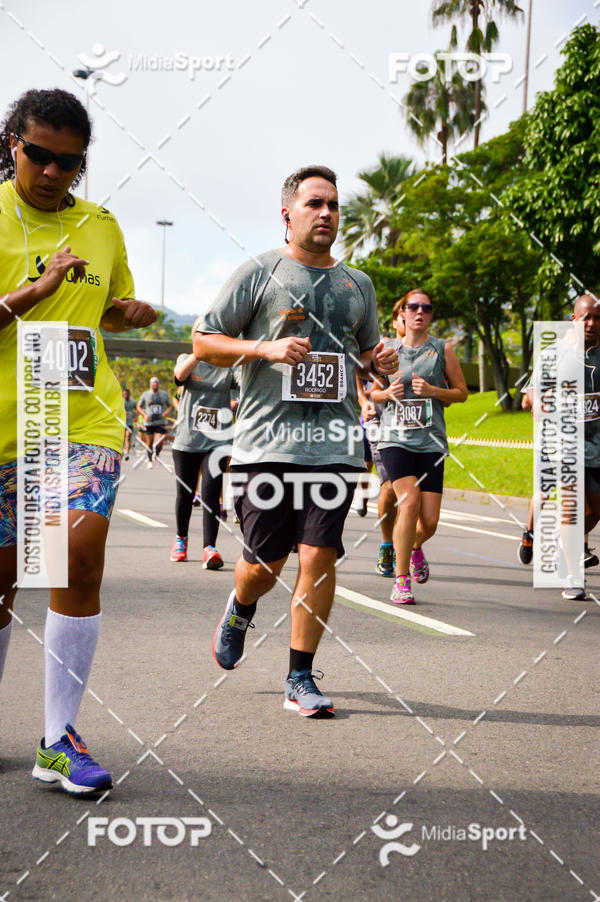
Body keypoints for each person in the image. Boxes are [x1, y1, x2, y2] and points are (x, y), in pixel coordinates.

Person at [193, 165, 397, 717]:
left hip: (333, 446)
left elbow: (371, 365)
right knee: (266, 564)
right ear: (288, 214)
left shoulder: (359, 285)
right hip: (265, 446)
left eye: (333, 204)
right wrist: (264, 350)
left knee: (319, 558)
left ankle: (300, 677)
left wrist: (381, 363)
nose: (327, 213)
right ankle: (240, 606)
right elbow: (204, 340)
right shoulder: (258, 273)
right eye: (315, 204)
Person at [0, 88, 156, 794]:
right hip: (7, 428)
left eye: (72, 162)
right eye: (41, 155)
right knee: (4, 578)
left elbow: (107, 308)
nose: (55, 171)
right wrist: (34, 292)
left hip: (84, 419)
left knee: (77, 548)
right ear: (12, 144)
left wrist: (127, 310)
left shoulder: (102, 225)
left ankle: (58, 739)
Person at [371, 289, 468, 604]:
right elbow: (374, 393)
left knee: (429, 522)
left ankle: (413, 547)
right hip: (395, 439)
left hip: (431, 443)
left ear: (431, 315)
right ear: (403, 313)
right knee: (408, 502)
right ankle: (401, 581)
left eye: (426, 308)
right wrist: (388, 395)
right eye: (413, 307)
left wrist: (433, 390)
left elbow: (462, 393)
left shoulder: (442, 349)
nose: (419, 312)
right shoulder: (387, 349)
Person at [170, 329, 235, 568]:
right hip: (187, 440)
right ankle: (180, 539)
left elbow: (241, 391)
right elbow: (179, 375)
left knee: (210, 492)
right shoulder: (186, 359)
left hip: (217, 442)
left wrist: (235, 401)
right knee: (185, 494)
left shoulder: (229, 367)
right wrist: (198, 354)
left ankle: (210, 548)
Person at [137, 376, 173, 467]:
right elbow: (139, 406)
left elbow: (170, 406)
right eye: (153, 383)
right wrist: (144, 415)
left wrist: (166, 412)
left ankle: (156, 455)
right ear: (150, 384)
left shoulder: (164, 394)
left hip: (160, 421)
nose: (155, 384)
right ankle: (149, 460)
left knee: (160, 441)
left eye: (156, 382)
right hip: (149, 422)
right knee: (149, 442)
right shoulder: (145, 394)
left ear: (158, 384)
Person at [122, 387, 137, 460]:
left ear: (129, 394)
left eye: (127, 394)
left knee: (128, 437)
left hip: (129, 423)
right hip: (121, 423)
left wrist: (135, 416)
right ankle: (121, 451)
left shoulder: (133, 402)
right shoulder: (120, 402)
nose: (125, 395)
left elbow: (138, 409)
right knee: (122, 439)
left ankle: (127, 453)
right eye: (124, 394)